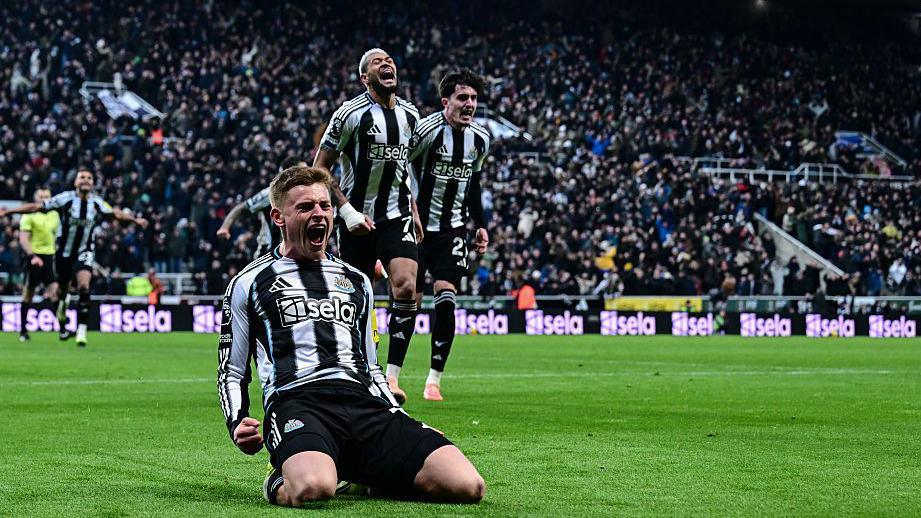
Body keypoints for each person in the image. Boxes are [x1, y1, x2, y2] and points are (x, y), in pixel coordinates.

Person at [217, 166, 484, 506]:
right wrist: (237, 421)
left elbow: (371, 367)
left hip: (365, 405)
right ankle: (281, 478)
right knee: (313, 489)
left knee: (466, 485)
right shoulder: (248, 282)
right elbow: (232, 368)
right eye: (305, 207)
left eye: (325, 206)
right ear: (278, 217)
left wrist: (396, 416)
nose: (319, 214)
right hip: (298, 402)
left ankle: (363, 472)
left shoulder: (357, 281)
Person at [313, 48, 424, 404]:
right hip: (358, 219)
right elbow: (321, 168)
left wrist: (415, 211)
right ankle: (363, 367)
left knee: (406, 285)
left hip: (397, 216)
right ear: (365, 78)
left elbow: (405, 170)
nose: (386, 64)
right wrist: (345, 212)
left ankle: (391, 378)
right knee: (359, 296)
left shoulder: (411, 115)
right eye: (377, 62)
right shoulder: (349, 114)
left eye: (389, 60)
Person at [398, 68, 491, 401]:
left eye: (474, 99)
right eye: (462, 98)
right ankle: (392, 376)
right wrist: (409, 207)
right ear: (445, 101)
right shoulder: (426, 131)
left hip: (453, 229)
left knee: (447, 302)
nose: (469, 104)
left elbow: (474, 184)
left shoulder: (480, 139)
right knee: (409, 300)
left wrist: (480, 224)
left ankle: (433, 380)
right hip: (418, 229)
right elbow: (401, 166)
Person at [0, 169, 148, 346]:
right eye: (82, 177)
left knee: (84, 286)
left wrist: (135, 220)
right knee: (60, 292)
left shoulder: (97, 203)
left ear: (93, 183)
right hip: (63, 254)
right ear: (75, 182)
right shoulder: (65, 199)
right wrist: (9, 212)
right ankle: (61, 309)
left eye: (89, 178)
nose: (86, 180)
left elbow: (115, 213)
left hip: (84, 251)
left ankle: (81, 331)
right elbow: (35, 207)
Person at [216, 156, 308, 258]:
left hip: (293, 254)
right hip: (268, 254)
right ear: (289, 174)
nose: (307, 174)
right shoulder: (272, 193)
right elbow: (241, 208)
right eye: (303, 171)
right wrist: (225, 227)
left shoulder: (307, 195)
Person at [16, 188, 61, 342]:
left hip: (49, 256)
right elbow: (23, 238)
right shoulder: (29, 215)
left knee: (55, 291)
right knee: (29, 293)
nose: (44, 199)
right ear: (36, 198)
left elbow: (57, 235)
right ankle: (23, 330)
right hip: (33, 256)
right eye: (41, 196)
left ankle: (63, 329)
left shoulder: (54, 214)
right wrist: (32, 256)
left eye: (47, 197)